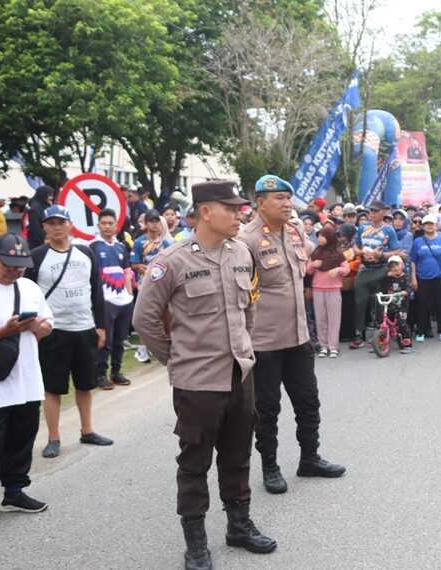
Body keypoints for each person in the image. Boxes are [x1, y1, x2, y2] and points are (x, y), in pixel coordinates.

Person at [133, 180, 277, 569]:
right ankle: (195, 543)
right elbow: (144, 319)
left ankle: (239, 526)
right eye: (231, 209)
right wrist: (177, 359)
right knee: (195, 462)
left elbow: (248, 307)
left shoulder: (241, 253)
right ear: (206, 212)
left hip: (239, 374)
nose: (239, 215)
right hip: (197, 383)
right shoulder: (172, 261)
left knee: (237, 454)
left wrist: (244, 350)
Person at [236, 175, 345, 495]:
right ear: (261, 203)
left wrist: (343, 258)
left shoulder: (296, 232)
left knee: (308, 402)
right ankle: (270, 467)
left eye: (288, 198)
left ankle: (309, 458)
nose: (287, 204)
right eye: (280, 198)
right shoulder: (247, 240)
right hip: (265, 341)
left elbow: (318, 260)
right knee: (267, 409)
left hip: (299, 337)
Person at [0, 234, 54, 539]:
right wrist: (4, 331)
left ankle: (15, 491)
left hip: (27, 382)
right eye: (10, 265)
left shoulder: (29, 287)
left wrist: (37, 327)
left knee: (22, 439)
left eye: (21, 266)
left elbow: (47, 325)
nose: (15, 271)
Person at [26, 206, 112, 458]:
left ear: (70, 224)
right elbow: (29, 294)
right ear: (45, 227)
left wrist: (101, 325)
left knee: (85, 384)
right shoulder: (37, 256)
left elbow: (97, 291)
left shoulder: (85, 253)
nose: (57, 227)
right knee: (52, 387)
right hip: (54, 331)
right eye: (51, 223)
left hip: (84, 327)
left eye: (61, 222)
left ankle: (87, 430)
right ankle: (53, 437)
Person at [90, 209, 135, 389]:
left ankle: (116, 372)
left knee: (119, 339)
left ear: (117, 225)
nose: (107, 226)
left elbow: (126, 272)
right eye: (104, 223)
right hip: (105, 301)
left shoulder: (122, 247)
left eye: (111, 223)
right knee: (105, 340)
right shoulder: (93, 246)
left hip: (123, 300)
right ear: (98, 225)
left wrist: (130, 295)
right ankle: (100, 374)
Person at [350, 200, 401, 349]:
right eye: (370, 211)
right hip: (365, 269)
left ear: (383, 212)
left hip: (381, 270)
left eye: (375, 211)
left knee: (380, 304)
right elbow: (355, 245)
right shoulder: (363, 227)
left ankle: (381, 334)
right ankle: (359, 334)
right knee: (360, 302)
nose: (372, 214)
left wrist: (381, 255)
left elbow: (397, 251)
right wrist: (360, 252)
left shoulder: (389, 230)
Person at [130, 209, 172, 363]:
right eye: (152, 221)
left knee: (166, 315)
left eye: (157, 221)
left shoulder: (167, 243)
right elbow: (134, 264)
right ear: (146, 224)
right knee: (148, 316)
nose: (155, 224)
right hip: (145, 284)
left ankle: (168, 346)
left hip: (163, 284)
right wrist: (145, 268)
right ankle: (142, 349)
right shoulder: (139, 242)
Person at [306, 219, 349, 358]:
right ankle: (323, 346)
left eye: (323, 236)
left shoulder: (338, 253)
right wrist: (313, 265)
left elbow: (346, 269)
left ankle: (333, 346)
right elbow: (308, 270)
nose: (319, 238)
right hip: (318, 289)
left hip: (333, 289)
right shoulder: (315, 253)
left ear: (330, 238)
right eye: (318, 235)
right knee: (320, 319)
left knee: (334, 319)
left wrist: (337, 269)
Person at [411, 214, 441, 342]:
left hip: (439, 278)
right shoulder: (418, 242)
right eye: (427, 224)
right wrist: (413, 278)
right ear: (423, 226)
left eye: (432, 224)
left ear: (436, 225)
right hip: (422, 278)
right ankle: (421, 332)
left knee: (440, 305)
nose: (429, 226)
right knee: (423, 306)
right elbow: (413, 261)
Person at [378, 256, 415, 354]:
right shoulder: (388, 277)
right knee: (382, 321)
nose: (397, 272)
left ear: (402, 266)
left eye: (398, 269)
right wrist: (387, 275)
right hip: (389, 303)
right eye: (394, 270)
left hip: (401, 304)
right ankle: (379, 343)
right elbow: (380, 283)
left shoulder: (405, 277)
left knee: (401, 323)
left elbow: (409, 287)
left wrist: (405, 292)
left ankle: (407, 345)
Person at [25, 185, 55, 249]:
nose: (51, 198)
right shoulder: (34, 209)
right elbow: (35, 229)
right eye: (49, 195)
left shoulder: (45, 206)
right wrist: (42, 242)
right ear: (43, 195)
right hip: (37, 243)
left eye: (52, 195)